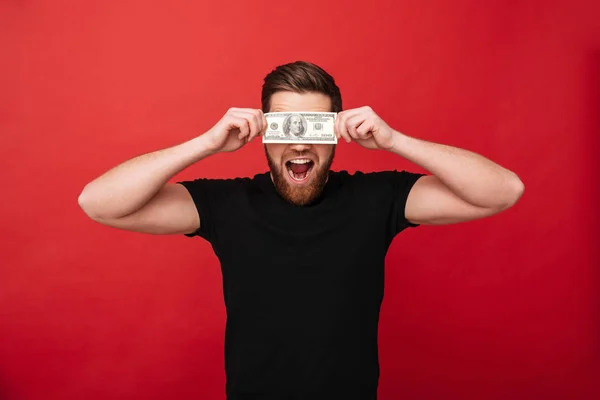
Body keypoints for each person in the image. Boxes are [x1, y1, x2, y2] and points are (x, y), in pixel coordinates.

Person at [78, 61, 524, 400]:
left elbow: (502, 191)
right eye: (283, 126)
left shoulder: (378, 198)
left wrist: (395, 141)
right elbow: (97, 203)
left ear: (334, 132)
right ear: (264, 133)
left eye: (312, 127)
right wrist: (207, 143)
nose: (298, 143)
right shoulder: (225, 203)